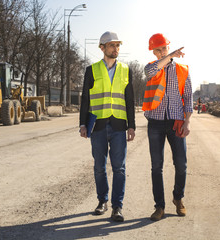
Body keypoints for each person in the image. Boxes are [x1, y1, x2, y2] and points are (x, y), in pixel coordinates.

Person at [79, 31, 136, 222]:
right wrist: (82, 124)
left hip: (119, 125)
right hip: (98, 125)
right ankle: (102, 201)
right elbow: (85, 99)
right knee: (99, 167)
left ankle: (117, 207)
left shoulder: (126, 70)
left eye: (118, 45)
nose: (116, 48)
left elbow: (129, 99)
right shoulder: (91, 70)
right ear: (102, 48)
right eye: (112, 45)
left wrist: (132, 125)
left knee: (119, 168)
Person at [142, 33, 193, 221]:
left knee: (181, 164)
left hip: (176, 122)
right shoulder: (151, 68)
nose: (163, 51)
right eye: (159, 49)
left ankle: (178, 198)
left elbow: (188, 98)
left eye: (165, 48)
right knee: (157, 166)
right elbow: (151, 71)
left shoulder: (182, 70)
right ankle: (159, 206)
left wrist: (187, 121)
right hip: (155, 122)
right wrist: (170, 56)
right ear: (154, 52)